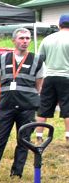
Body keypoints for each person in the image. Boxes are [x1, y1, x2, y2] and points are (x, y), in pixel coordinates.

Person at [0, 27, 44, 178]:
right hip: (7, 105)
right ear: (14, 40)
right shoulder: (2, 59)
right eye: (21, 38)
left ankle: (17, 173)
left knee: (23, 141)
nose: (25, 41)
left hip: (27, 106)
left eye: (27, 38)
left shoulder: (37, 60)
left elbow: (39, 84)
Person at [35, 14, 69, 144]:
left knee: (44, 107)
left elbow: (40, 59)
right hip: (66, 77)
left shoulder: (47, 39)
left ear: (59, 25)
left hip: (49, 77)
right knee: (67, 109)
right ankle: (68, 137)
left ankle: (38, 136)